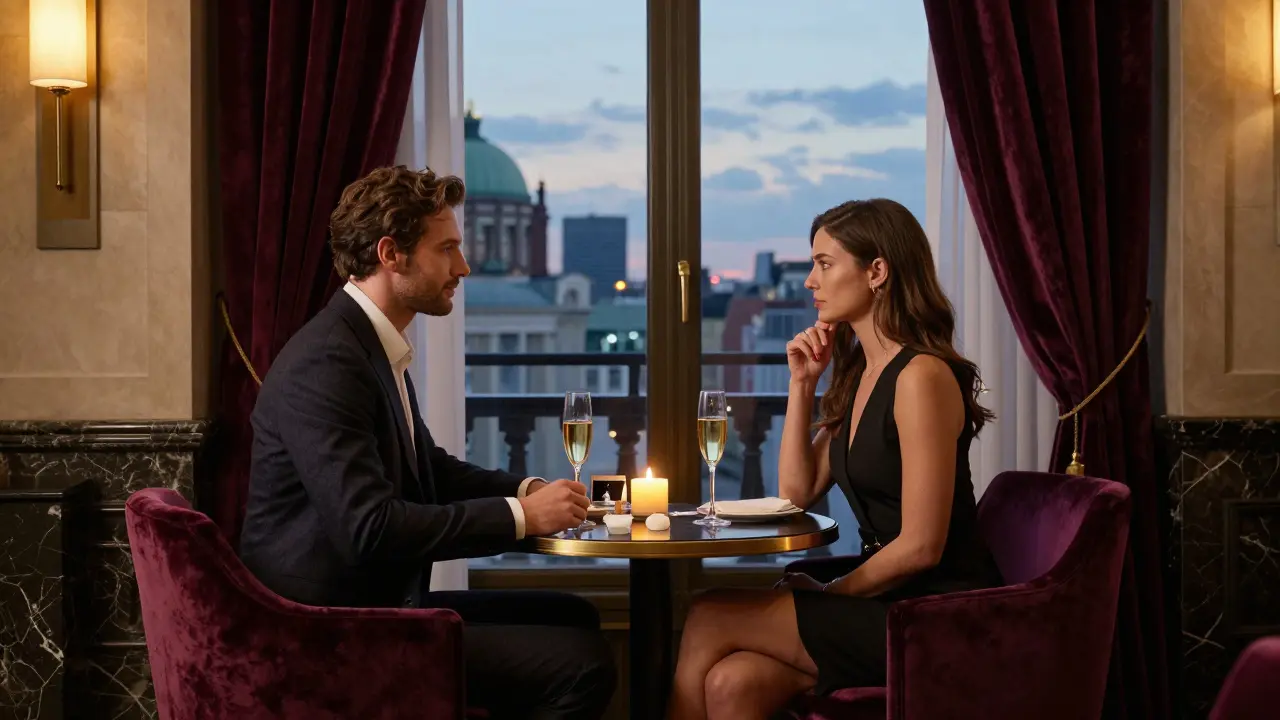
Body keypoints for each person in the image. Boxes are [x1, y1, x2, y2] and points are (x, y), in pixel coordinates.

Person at [239, 165, 616, 719]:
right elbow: (369, 530)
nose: (463, 267)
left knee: (573, 614)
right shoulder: (328, 361)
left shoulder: (365, 343)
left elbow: (428, 470)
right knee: (583, 663)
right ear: (391, 254)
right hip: (324, 630)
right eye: (447, 250)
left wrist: (529, 488)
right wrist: (522, 517)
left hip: (367, 605)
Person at [668, 199, 1003, 719]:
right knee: (734, 683)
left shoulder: (920, 377)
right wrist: (803, 386)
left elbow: (920, 548)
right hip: (886, 598)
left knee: (709, 613)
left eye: (824, 264)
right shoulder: (865, 373)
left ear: (877, 272)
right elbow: (796, 493)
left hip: (935, 613)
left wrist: (830, 592)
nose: (809, 281)